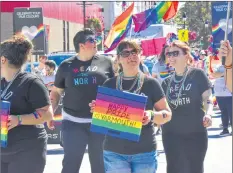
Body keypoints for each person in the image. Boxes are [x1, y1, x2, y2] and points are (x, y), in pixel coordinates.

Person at [89, 40, 172, 173]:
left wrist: (151, 115)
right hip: (114, 152)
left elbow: (167, 115)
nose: (131, 56)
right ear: (119, 59)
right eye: (126, 53)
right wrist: (98, 110)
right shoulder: (109, 84)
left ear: (140, 56)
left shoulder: (151, 83)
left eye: (135, 52)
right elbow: (103, 121)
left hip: (144, 152)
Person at [50, 29, 115, 173]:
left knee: (101, 166)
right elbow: (56, 92)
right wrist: (51, 111)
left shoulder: (107, 62)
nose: (96, 43)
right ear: (81, 45)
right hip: (73, 121)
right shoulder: (66, 66)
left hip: (101, 121)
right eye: (92, 40)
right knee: (70, 165)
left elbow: (115, 88)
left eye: (96, 39)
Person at [0, 34, 53, 173]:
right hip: (3, 150)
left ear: (3, 59)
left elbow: (47, 114)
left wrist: (18, 119)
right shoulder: (2, 82)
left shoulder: (31, 82)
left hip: (27, 150)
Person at [161, 40, 213, 173]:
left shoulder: (197, 75)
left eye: (175, 53)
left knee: (194, 169)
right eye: (169, 54)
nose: (171, 57)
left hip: (195, 133)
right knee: (174, 169)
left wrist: (208, 114)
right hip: (171, 135)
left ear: (186, 55)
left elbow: (207, 98)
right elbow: (161, 108)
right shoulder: (166, 82)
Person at [152, 44, 174, 135]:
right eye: (167, 52)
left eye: (172, 52)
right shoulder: (157, 65)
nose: (169, 54)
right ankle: (161, 128)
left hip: (175, 93)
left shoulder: (176, 64)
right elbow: (153, 79)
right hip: (162, 95)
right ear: (164, 53)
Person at [211, 63, 232, 136]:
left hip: (229, 93)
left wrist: (222, 73)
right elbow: (214, 75)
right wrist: (226, 71)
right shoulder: (217, 65)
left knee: (231, 113)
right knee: (223, 112)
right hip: (219, 94)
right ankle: (225, 129)